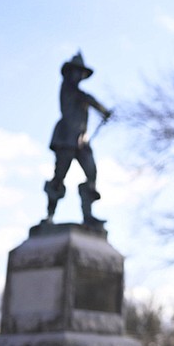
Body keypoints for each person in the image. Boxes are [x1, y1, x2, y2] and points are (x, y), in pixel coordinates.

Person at [44, 51, 112, 229]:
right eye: (77, 72)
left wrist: (103, 112)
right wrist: (103, 109)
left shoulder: (79, 94)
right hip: (66, 137)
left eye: (81, 73)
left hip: (81, 140)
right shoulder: (68, 88)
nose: (79, 76)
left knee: (91, 173)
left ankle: (88, 215)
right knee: (59, 176)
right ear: (70, 72)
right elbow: (87, 98)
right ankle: (50, 215)